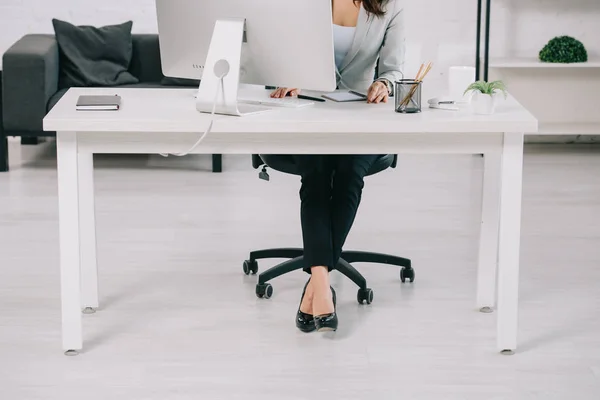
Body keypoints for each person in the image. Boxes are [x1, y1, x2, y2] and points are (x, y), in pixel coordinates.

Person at [271, 0, 405, 333]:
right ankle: (320, 282)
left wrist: (384, 84)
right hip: (307, 113)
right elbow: (275, 54)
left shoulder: (390, 6)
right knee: (315, 175)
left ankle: (314, 289)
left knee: (349, 175)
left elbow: (393, 68)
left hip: (361, 117)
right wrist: (288, 78)